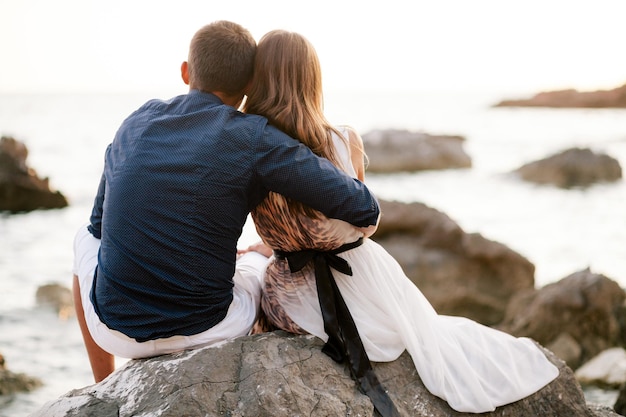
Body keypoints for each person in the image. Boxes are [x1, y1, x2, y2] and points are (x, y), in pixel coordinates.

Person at [243, 30, 560, 414]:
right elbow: (361, 224)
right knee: (439, 338)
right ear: (312, 80)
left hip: (292, 300)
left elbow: (291, 227)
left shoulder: (247, 153)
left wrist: (276, 246)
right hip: (366, 289)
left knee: (250, 272)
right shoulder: (344, 141)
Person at [72, 21, 380, 384]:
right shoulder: (253, 137)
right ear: (249, 85)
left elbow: (98, 226)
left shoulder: (138, 120)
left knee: (82, 238)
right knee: (255, 261)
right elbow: (362, 207)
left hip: (115, 328)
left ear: (186, 71)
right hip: (211, 327)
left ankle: (102, 385)